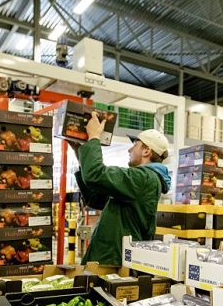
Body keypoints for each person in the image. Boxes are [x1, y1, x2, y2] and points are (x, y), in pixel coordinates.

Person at [71, 111, 171, 266]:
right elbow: (97, 199)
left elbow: (95, 174)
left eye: (134, 145)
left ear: (146, 151)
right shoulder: (143, 179)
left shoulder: (144, 178)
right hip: (110, 258)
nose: (129, 150)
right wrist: (80, 152)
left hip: (113, 262)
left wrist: (94, 137)